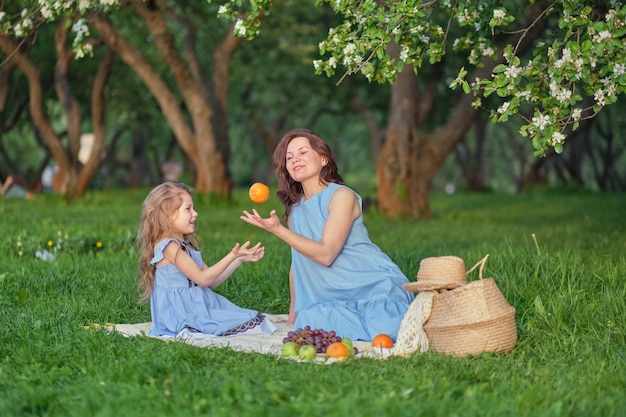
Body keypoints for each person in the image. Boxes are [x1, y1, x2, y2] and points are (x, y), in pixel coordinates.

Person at [240, 128, 414, 341]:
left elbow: (326, 254)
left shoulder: (342, 196)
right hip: (327, 297)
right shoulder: (295, 210)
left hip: (369, 284)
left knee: (388, 329)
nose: (296, 159)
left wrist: (278, 230)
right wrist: (293, 312)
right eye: (289, 157)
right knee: (312, 327)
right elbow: (299, 262)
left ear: (323, 159)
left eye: (303, 152)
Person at [136, 182, 277, 338]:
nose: (195, 214)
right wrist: (231, 255)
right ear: (168, 215)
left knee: (254, 319)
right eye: (188, 209)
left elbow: (211, 281)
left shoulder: (185, 244)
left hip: (197, 305)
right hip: (180, 312)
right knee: (250, 325)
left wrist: (238, 259)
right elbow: (203, 279)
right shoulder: (169, 247)